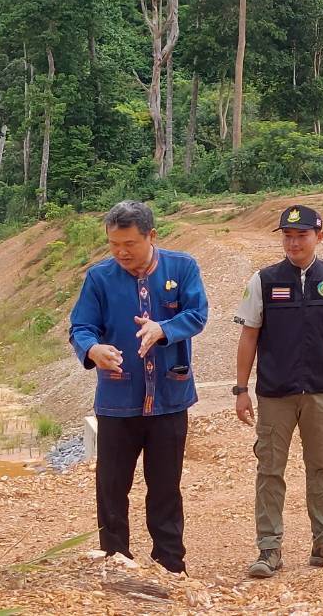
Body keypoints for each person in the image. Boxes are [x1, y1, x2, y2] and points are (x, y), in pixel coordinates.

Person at [68, 200, 207, 575]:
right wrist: (93, 349)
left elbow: (197, 314)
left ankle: (169, 563)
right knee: (112, 488)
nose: (121, 252)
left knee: (165, 487)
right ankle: (115, 561)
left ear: (152, 236)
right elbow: (81, 327)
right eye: (113, 244)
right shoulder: (99, 278)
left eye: (129, 243)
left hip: (169, 398)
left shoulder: (183, 267)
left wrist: (164, 328)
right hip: (117, 401)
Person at [234, 204, 323, 577]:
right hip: (275, 393)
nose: (293, 242)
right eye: (287, 236)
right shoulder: (264, 280)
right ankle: (269, 549)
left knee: (321, 466)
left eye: (301, 235)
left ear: (319, 237)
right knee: (270, 470)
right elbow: (249, 336)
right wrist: (241, 389)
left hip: (322, 390)